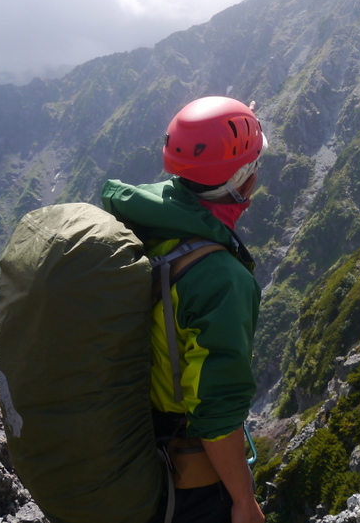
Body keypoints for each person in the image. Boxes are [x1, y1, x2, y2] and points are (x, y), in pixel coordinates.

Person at [102, 96, 266, 523]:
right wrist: (244, 502)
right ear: (244, 181)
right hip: (184, 480)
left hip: (121, 453)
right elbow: (215, 413)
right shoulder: (221, 279)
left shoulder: (142, 217)